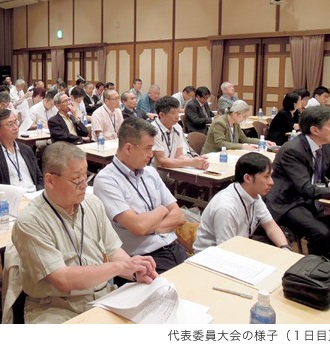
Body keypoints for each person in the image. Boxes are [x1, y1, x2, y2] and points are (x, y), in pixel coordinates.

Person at [12, 141, 159, 328]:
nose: (84, 185)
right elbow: (62, 280)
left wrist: (135, 271)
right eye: (77, 179)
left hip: (103, 296)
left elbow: (113, 250)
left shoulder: (93, 203)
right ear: (50, 180)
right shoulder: (30, 221)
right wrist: (120, 268)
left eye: (86, 176)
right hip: (55, 307)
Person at [94, 117, 187, 279]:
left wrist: (151, 227)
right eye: (147, 148)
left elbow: (179, 216)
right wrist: (162, 210)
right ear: (128, 148)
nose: (151, 154)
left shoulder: (150, 173)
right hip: (142, 261)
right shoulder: (106, 180)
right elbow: (138, 227)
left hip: (174, 248)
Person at [266, 106, 330, 260]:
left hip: (309, 199)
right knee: (321, 233)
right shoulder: (293, 151)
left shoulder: (324, 146)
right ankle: (312, 272)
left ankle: (327, 264)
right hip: (288, 202)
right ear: (315, 130)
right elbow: (306, 189)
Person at [194, 153, 290, 253]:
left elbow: (270, 225)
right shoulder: (226, 208)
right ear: (248, 178)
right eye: (266, 177)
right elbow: (225, 251)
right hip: (213, 258)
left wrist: (285, 247)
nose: (271, 182)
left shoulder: (253, 194)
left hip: (239, 247)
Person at [0, 109, 44, 192]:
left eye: (15, 122)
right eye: (10, 125)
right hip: (12, 199)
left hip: (34, 195)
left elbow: (39, 178)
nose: (16, 127)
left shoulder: (26, 149)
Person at [150, 96, 209, 176]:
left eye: (178, 112)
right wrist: (191, 163)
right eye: (173, 113)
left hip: (173, 170)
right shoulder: (153, 130)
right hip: (156, 175)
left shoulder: (177, 127)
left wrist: (196, 161)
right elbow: (162, 161)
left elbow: (179, 155)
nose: (178, 116)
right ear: (162, 115)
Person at [201, 100, 275, 154]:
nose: (244, 119)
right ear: (235, 113)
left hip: (230, 154)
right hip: (214, 155)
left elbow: (244, 139)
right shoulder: (219, 123)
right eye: (244, 116)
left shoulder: (235, 123)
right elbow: (221, 143)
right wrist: (242, 146)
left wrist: (262, 142)